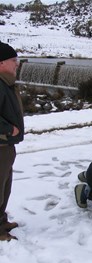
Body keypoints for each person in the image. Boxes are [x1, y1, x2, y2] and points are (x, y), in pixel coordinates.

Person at [0, 42, 24, 241]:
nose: (17, 64)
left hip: (6, 146)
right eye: (13, 61)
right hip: (0, 146)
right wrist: (9, 129)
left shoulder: (5, 83)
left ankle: (1, 221)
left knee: (5, 187)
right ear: (1, 63)